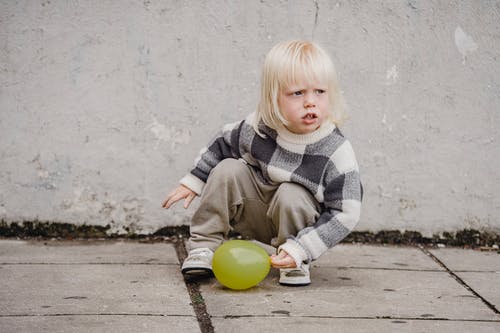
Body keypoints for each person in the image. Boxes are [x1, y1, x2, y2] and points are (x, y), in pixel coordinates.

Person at [162, 40, 362, 286]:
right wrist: (195, 180)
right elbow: (223, 142)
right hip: (255, 211)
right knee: (227, 169)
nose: (310, 102)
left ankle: (292, 260)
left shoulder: (336, 151)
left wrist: (302, 248)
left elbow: (346, 211)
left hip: (296, 224)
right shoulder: (260, 127)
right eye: (297, 93)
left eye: (319, 91)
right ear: (274, 98)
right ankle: (204, 248)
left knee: (292, 193)